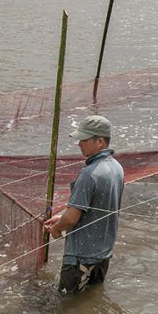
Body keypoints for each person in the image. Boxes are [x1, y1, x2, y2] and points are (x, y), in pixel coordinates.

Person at [44, 115, 124, 295]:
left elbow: (72, 218)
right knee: (91, 299)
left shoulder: (88, 174)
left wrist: (57, 228)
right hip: (103, 254)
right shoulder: (117, 168)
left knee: (66, 305)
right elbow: (94, 205)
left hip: (82, 256)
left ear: (100, 142)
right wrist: (62, 216)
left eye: (84, 140)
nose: (79, 143)